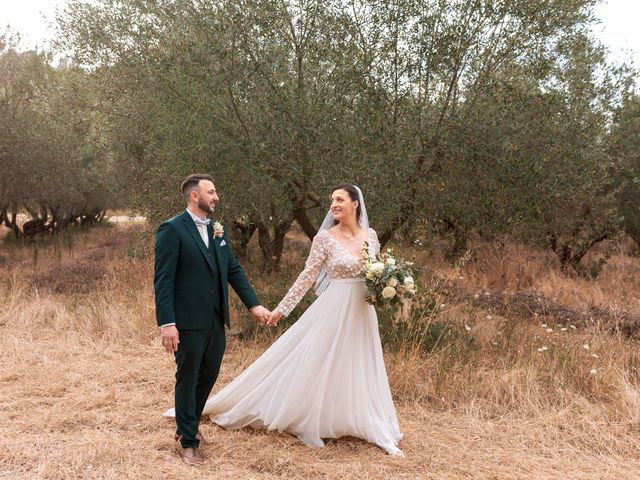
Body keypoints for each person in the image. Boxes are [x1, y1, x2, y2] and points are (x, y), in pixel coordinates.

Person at [199, 184, 404, 456]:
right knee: (321, 362)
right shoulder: (325, 239)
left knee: (360, 362)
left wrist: (390, 287)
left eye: (340, 199)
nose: (333, 204)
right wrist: (280, 311)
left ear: (356, 204)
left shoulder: (372, 236)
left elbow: (374, 273)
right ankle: (312, 423)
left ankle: (369, 423)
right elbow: (307, 277)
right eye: (332, 200)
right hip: (335, 308)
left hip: (363, 311)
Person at [154, 174, 271, 466]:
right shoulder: (171, 229)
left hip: (216, 319)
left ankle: (187, 425)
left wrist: (253, 304)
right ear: (195, 195)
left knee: (209, 374)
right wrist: (167, 323)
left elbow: (232, 269)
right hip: (187, 321)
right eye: (212, 191)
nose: (216, 196)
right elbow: (163, 280)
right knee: (188, 376)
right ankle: (189, 441)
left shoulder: (218, 230)